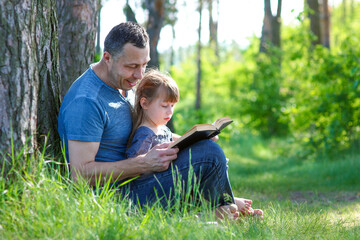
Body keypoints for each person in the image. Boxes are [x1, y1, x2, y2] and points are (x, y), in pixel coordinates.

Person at [58, 21, 262, 220]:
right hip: (116, 196)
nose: (139, 75)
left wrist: (192, 139)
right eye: (132, 66)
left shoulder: (123, 84)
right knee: (209, 155)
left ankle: (223, 207)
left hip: (138, 179)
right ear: (108, 58)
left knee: (206, 148)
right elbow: (80, 174)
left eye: (144, 65)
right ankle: (217, 211)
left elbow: (145, 128)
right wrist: (144, 163)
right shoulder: (86, 101)